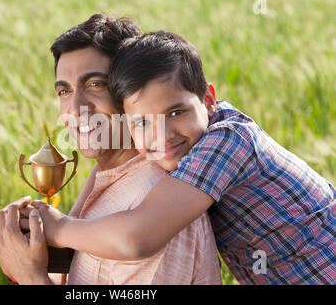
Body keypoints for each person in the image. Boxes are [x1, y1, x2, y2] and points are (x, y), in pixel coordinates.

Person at [34, 31, 336, 284]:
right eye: (142, 122)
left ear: (207, 100)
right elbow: (105, 172)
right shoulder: (182, 146)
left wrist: (57, 227)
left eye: (176, 112)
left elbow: (139, 236)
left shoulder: (227, 142)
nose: (163, 136)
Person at [0, 15, 222, 285]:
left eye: (95, 85)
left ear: (132, 91)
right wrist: (29, 252)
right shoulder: (107, 179)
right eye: (64, 92)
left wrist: (30, 277)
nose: (75, 109)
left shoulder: (153, 209)